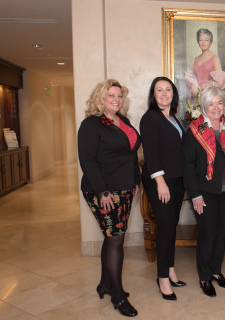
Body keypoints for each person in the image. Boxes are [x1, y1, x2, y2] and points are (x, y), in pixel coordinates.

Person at [78, 79, 140, 317]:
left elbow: (131, 154)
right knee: (116, 239)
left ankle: (105, 283)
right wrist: (102, 191)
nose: (116, 100)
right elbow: (88, 160)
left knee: (113, 237)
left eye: (119, 96)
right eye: (111, 96)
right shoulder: (92, 124)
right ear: (101, 98)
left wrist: (135, 181)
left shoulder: (123, 121)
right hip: (103, 191)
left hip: (125, 188)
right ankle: (118, 294)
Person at [182, 86, 225, 298]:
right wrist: (194, 194)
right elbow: (187, 165)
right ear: (203, 105)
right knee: (207, 234)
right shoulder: (194, 130)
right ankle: (204, 277)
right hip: (204, 192)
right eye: (211, 103)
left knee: (221, 233)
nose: (216, 107)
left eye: (219, 103)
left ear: (224, 105)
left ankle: (216, 271)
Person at [140, 77, 186, 301]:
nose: (164, 93)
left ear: (173, 94)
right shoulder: (150, 118)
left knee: (171, 226)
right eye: (159, 90)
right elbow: (151, 153)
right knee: (166, 227)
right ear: (153, 94)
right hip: (161, 181)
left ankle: (170, 270)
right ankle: (162, 279)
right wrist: (160, 183)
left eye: (168, 89)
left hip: (177, 180)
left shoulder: (174, 118)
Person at [185, 28, 225, 105]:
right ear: (198, 42)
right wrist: (193, 86)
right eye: (201, 40)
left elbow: (219, 81)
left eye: (206, 40)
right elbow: (195, 78)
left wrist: (201, 87)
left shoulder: (215, 58)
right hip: (197, 96)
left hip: (210, 96)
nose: (203, 42)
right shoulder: (196, 59)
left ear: (210, 42)